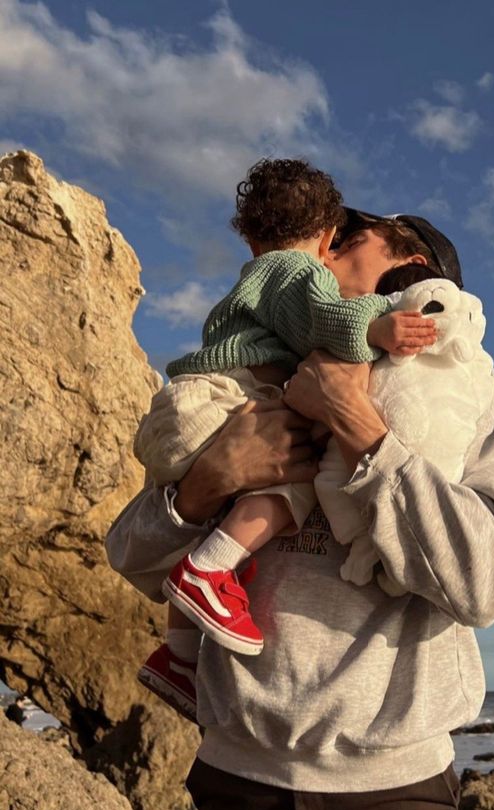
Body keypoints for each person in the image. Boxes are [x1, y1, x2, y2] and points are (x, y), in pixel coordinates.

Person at [106, 211, 494, 810]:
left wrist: (363, 429)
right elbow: (130, 552)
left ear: (409, 261)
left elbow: (490, 580)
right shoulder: (252, 376)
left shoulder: (464, 384)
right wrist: (209, 481)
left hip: (396, 806)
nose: (323, 251)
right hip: (241, 798)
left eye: (349, 236)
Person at [134, 160, 438, 721]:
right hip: (234, 399)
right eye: (337, 240)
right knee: (293, 476)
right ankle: (210, 572)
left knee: (212, 523)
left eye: (356, 241)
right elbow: (323, 320)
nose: (337, 250)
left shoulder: (259, 276)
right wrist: (375, 325)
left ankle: (178, 656)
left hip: (191, 404)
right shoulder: (297, 276)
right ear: (322, 238)